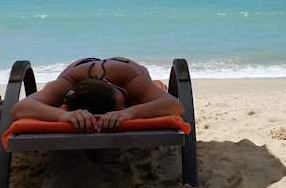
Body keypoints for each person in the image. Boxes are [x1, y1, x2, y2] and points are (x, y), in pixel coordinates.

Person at [10, 56, 184, 132]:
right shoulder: (66, 83)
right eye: (122, 106)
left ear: (110, 84)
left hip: (122, 64)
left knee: (147, 86)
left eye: (123, 103)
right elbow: (19, 108)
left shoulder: (128, 79)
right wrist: (62, 115)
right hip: (80, 68)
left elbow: (175, 106)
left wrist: (130, 112)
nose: (123, 107)